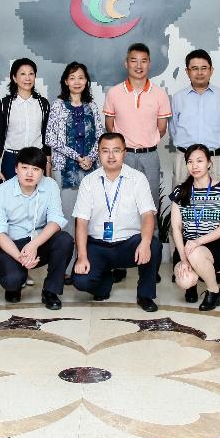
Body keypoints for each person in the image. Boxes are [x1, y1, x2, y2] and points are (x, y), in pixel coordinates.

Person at [71, 132, 162, 312]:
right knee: (81, 281)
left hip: (128, 244)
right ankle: (105, 280)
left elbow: (148, 215)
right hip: (98, 245)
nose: (111, 156)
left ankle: (145, 295)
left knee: (153, 246)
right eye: (105, 151)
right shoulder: (88, 182)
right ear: (98, 154)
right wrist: (81, 256)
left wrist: (145, 243)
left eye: (116, 150)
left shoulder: (137, 178)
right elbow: (81, 222)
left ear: (124, 152)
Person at [0, 146, 74, 309]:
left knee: (65, 240)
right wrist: (20, 257)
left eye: (35, 169)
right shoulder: (2, 191)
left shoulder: (50, 185)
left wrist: (34, 244)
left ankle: (50, 291)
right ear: (16, 168)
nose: (30, 174)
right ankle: (15, 285)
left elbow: (56, 221)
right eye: (24, 168)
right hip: (13, 243)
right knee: (12, 281)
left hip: (39, 241)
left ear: (42, 171)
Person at [103, 43, 171, 212]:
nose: (138, 65)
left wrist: (146, 141)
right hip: (123, 155)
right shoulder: (114, 93)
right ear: (126, 63)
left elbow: (162, 129)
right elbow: (109, 125)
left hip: (150, 155)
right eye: (134, 60)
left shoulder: (160, 94)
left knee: (151, 203)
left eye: (143, 61)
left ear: (149, 63)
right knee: (122, 202)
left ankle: (152, 231)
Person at [169, 145, 220, 311]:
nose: (194, 166)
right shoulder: (180, 191)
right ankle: (192, 285)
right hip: (185, 247)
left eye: (199, 161)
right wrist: (183, 259)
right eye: (190, 162)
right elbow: (176, 227)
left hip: (214, 247)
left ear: (209, 163)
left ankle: (214, 291)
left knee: (195, 252)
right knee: (185, 280)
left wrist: (197, 242)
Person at [45, 61, 104, 218]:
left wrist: (90, 158)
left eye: (81, 77)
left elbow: (100, 136)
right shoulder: (58, 105)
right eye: (72, 78)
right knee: (68, 212)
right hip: (64, 167)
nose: (77, 82)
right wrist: (77, 157)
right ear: (66, 81)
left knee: (91, 212)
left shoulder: (92, 106)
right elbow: (50, 138)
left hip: (91, 165)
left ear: (86, 81)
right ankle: (69, 236)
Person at [169, 50, 220, 185]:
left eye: (204, 68)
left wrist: (214, 147)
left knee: (216, 198)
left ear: (211, 70)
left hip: (214, 160)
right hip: (185, 160)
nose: (200, 72)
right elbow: (173, 129)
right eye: (194, 68)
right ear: (187, 72)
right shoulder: (178, 98)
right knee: (182, 198)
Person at [0, 57, 51, 185]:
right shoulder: (4, 104)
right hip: (12, 159)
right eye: (23, 74)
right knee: (11, 195)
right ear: (14, 78)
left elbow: (47, 139)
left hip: (36, 159)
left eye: (31, 74)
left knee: (38, 195)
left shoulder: (43, 104)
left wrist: (48, 168)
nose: (27, 78)